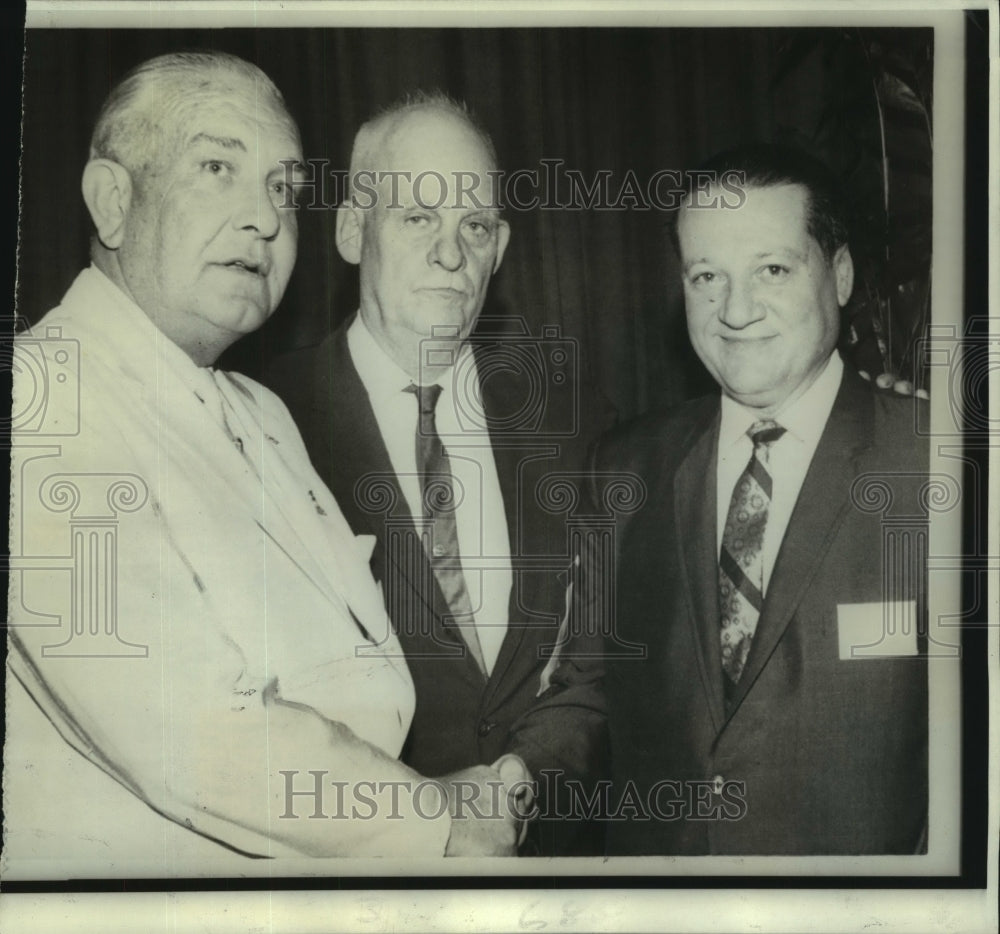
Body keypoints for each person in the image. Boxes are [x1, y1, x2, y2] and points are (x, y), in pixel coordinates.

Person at [5, 53, 524, 876]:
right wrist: (438, 823)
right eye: (218, 168)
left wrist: (435, 796)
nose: (265, 219)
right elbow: (195, 736)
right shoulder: (39, 398)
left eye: (283, 187)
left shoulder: (260, 413)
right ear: (113, 200)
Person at [265, 94, 608, 855]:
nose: (452, 255)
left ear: (502, 246)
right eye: (419, 217)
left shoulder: (570, 418)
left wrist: (515, 786)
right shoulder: (265, 421)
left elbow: (601, 654)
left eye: (475, 225)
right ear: (354, 230)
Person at [595, 144, 929, 855]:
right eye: (707, 276)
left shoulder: (942, 465)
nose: (736, 310)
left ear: (838, 275)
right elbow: (584, 694)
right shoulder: (625, 469)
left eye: (772, 270)